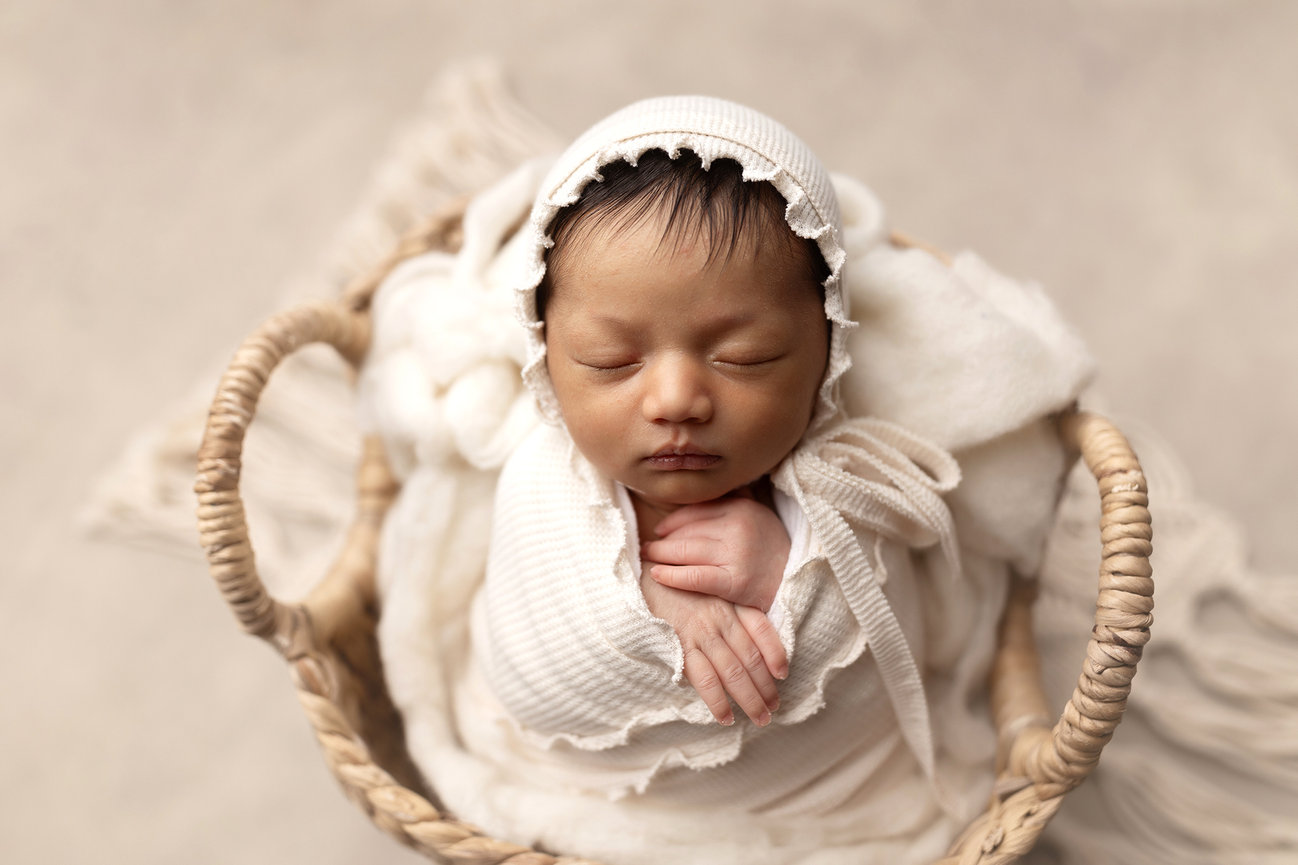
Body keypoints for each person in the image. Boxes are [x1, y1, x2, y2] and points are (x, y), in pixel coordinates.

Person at [369, 94, 1094, 864]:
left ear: (829, 353)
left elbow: (904, 624)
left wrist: (800, 562)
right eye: (612, 361)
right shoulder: (537, 478)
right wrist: (639, 609)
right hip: (581, 794)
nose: (676, 398)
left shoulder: (857, 470)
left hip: (833, 813)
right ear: (545, 358)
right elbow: (527, 673)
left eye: (744, 357)